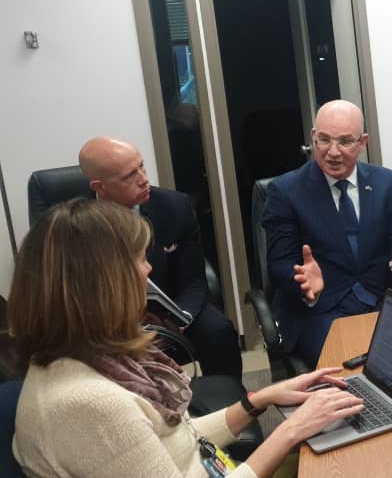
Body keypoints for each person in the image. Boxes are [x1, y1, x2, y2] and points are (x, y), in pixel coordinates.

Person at [8, 199, 365, 477]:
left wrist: (260, 399)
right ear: (103, 283)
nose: (148, 269)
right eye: (139, 260)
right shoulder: (89, 404)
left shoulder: (88, 359)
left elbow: (177, 440)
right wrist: (292, 430)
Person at [263, 100, 392, 367]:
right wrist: (304, 284)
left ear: (362, 142)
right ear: (313, 137)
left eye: (345, 142)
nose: (333, 152)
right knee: (352, 371)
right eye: (324, 140)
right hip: (321, 311)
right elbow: (279, 264)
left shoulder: (387, 183)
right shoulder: (285, 191)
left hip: (383, 300)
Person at [79, 137, 242, 378]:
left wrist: (181, 317)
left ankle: (231, 398)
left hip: (171, 306)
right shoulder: (77, 224)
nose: (143, 179)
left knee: (218, 331)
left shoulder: (175, 206)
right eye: (129, 176)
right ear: (100, 187)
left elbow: (194, 279)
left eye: (141, 167)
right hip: (107, 318)